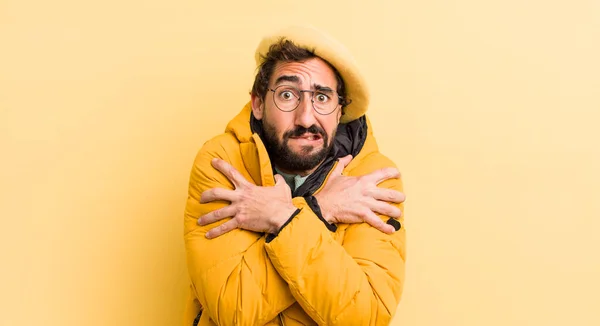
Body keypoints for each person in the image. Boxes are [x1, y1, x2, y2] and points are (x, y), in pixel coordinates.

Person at [183, 26, 407, 326]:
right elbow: (233, 308)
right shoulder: (223, 160)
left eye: (322, 98)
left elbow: (365, 316)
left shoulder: (371, 178)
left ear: (340, 111)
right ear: (258, 104)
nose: (305, 117)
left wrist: (280, 217)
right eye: (287, 95)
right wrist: (321, 209)